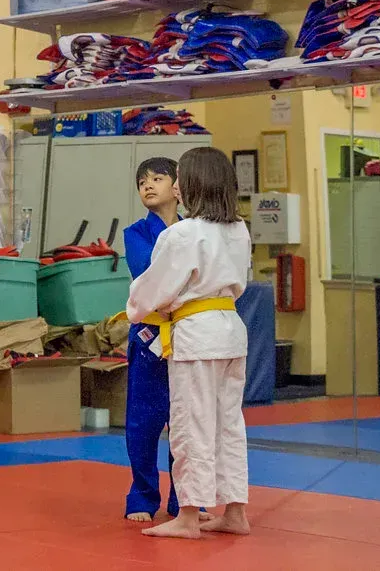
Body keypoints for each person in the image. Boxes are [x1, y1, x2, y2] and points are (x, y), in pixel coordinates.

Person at [124, 147, 252, 540]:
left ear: (193, 183)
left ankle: (189, 516)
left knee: (190, 424)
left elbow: (151, 290)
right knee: (228, 424)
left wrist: (135, 308)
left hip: (196, 334)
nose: (174, 184)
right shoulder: (238, 228)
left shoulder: (183, 233)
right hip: (230, 329)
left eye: (179, 177)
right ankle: (235, 511)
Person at [121, 157, 181, 523]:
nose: (148, 186)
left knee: (188, 423)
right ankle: (142, 495)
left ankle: (187, 499)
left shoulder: (196, 229)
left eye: (157, 178)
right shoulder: (136, 233)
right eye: (142, 181)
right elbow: (148, 273)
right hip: (150, 336)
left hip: (190, 331)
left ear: (177, 186)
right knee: (143, 423)